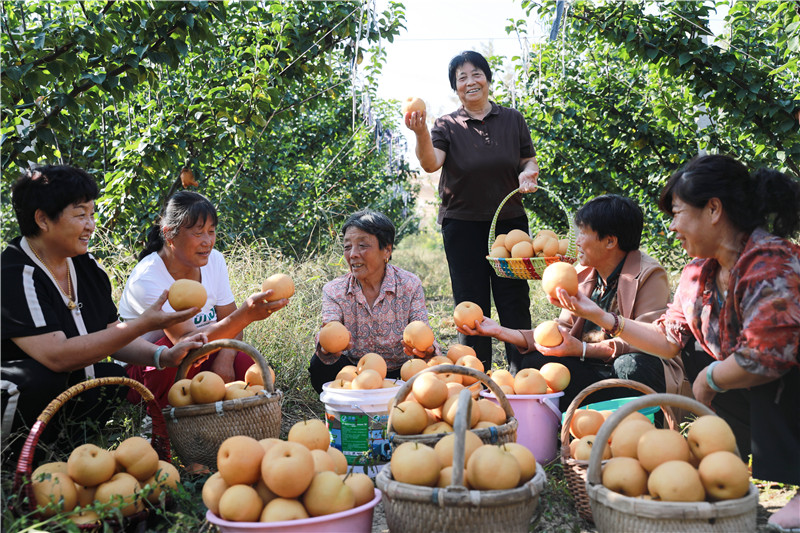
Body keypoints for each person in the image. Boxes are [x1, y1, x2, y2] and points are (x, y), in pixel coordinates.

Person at [549, 155, 799, 531]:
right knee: (702, 355)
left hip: (786, 379)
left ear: (713, 209)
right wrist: (603, 317)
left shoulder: (771, 262)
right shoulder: (699, 273)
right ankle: (727, 469)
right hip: (752, 390)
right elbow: (668, 339)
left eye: (677, 213)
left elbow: (769, 353)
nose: (671, 227)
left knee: (728, 366)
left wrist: (710, 379)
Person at [1, 166, 206, 464]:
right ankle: (11, 461)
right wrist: (146, 323)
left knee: (110, 379)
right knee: (41, 379)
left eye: (92, 214)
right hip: (20, 389)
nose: (91, 225)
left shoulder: (86, 267)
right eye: (80, 214)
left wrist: (163, 356)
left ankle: (58, 455)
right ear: (42, 218)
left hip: (61, 387)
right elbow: (56, 356)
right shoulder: (17, 274)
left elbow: (113, 333)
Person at [459, 195, 684, 410]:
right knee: (534, 361)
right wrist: (499, 331)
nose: (576, 241)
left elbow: (646, 342)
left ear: (610, 241)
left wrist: (584, 349)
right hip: (593, 371)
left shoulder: (649, 274)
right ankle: (587, 419)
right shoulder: (580, 273)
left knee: (630, 365)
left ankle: (631, 421)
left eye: (583, 233)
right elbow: (560, 333)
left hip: (630, 373)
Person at [405, 50, 539, 373]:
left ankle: (524, 375)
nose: (470, 81)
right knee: (471, 304)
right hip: (463, 226)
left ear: (488, 79)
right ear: (456, 88)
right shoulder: (447, 125)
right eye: (461, 78)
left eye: (476, 73)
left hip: (509, 226)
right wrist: (421, 132)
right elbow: (430, 163)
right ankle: (477, 379)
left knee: (514, 299)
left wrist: (528, 173)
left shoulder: (513, 119)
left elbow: (528, 160)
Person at [118, 191, 288, 409]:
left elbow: (228, 319)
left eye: (212, 231)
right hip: (150, 367)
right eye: (199, 233)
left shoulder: (214, 260)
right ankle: (160, 419)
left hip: (204, 352)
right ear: (169, 234)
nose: (208, 241)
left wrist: (224, 361)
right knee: (170, 347)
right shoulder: (148, 278)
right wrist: (246, 314)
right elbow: (184, 342)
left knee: (248, 368)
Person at [308, 210, 440, 393]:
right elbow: (330, 331)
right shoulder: (334, 291)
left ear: (387, 250)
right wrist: (327, 348)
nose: (353, 254)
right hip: (354, 374)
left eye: (362, 245)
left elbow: (422, 332)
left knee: (431, 372)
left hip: (401, 374)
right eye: (347, 247)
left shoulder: (409, 285)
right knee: (319, 366)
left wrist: (426, 350)